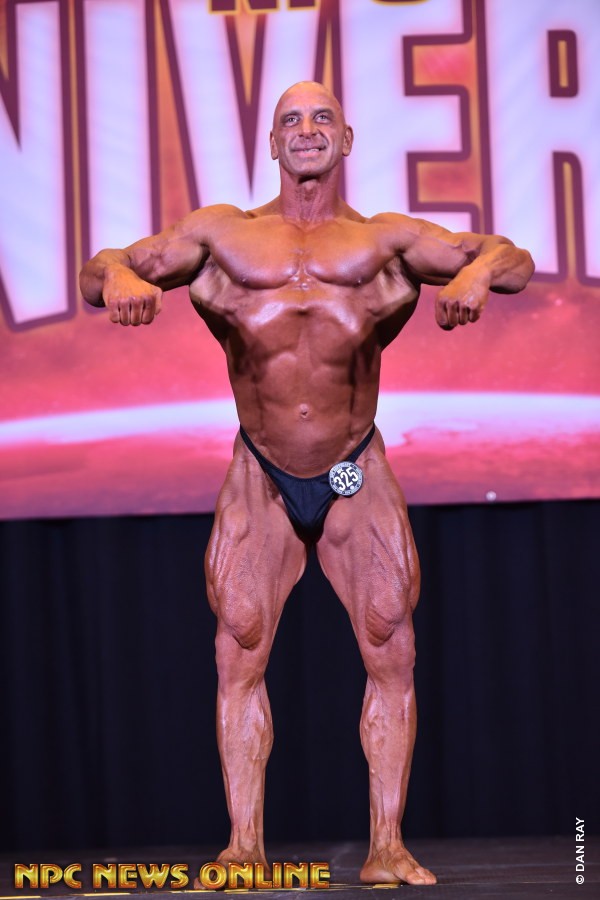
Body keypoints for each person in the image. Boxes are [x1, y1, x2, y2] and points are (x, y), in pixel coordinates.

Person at [80, 81, 534, 886]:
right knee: (239, 645)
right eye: (291, 119)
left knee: (391, 640)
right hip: (260, 470)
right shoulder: (223, 233)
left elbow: (510, 258)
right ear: (272, 145)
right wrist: (117, 280)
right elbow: (105, 266)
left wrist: (475, 279)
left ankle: (387, 846)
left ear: (346, 139)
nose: (307, 129)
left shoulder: (387, 240)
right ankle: (244, 846)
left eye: (323, 117)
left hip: (354, 464)